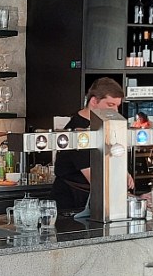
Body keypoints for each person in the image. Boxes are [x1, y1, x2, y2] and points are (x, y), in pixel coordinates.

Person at [52, 77, 132, 213]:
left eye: (117, 106)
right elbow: (96, 178)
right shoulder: (77, 131)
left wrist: (124, 172)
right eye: (110, 105)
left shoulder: (103, 126)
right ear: (94, 101)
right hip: (71, 204)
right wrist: (129, 197)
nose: (116, 111)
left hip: (93, 199)